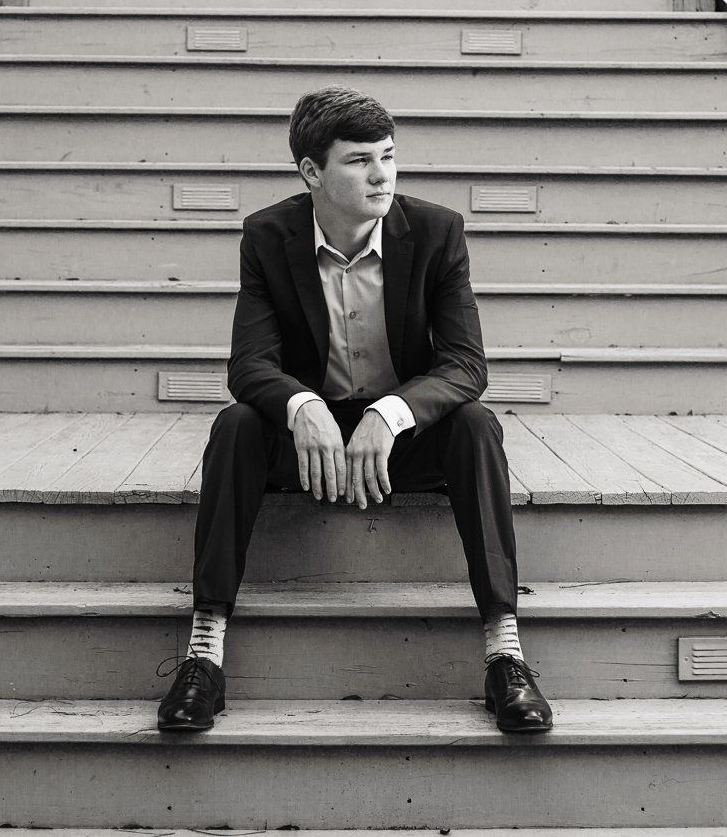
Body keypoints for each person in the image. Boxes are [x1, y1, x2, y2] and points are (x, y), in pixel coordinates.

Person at [155, 84, 553, 733]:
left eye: (388, 156)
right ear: (311, 172)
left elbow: (465, 364)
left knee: (477, 425)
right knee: (236, 426)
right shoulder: (267, 236)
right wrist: (301, 403)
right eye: (360, 160)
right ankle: (205, 654)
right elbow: (249, 364)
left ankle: (505, 653)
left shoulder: (436, 232)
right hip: (310, 447)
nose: (381, 175)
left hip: (400, 442)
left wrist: (392, 413)